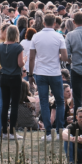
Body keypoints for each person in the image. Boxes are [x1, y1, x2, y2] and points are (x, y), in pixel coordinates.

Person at [29, 12, 68, 141]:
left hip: (40, 72)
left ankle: (48, 133)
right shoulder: (59, 37)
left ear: (44, 22)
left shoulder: (36, 36)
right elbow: (65, 57)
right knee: (60, 102)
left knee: (44, 102)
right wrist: (56, 56)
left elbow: (32, 58)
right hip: (55, 73)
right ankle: (59, 130)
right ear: (55, 23)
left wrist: (30, 74)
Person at [66, 13, 82, 110]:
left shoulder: (70, 35)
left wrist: (70, 61)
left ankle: (76, 121)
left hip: (76, 68)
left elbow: (67, 54)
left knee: (77, 98)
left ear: (73, 22)